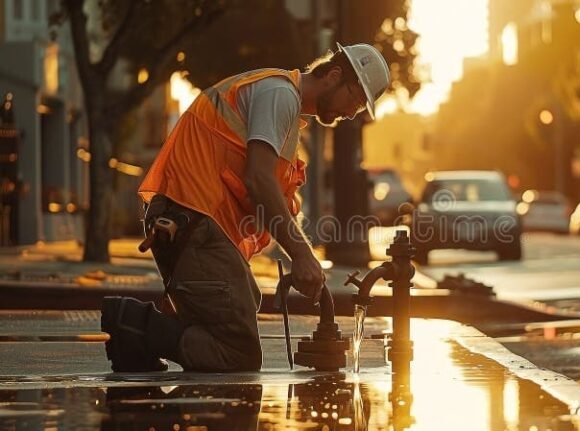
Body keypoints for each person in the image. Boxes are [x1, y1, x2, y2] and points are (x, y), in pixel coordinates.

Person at [101, 43, 390, 372]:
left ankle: (137, 347)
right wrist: (301, 253)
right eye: (354, 99)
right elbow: (259, 179)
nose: (352, 113)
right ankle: (132, 324)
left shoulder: (285, 107)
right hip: (192, 220)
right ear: (334, 75)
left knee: (241, 306)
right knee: (237, 353)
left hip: (192, 220)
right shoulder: (281, 95)